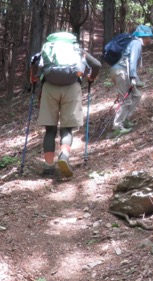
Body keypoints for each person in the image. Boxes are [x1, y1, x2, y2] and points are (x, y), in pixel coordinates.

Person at [29, 32, 101, 178]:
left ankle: (48, 166)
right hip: (72, 88)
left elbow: (33, 63)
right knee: (66, 129)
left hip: (49, 88)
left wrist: (33, 78)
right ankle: (64, 156)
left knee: (50, 129)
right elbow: (97, 65)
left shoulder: (46, 50)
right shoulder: (78, 51)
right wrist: (91, 78)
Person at [111, 24, 153, 136]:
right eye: (149, 37)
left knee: (136, 95)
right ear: (144, 36)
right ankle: (117, 126)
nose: (150, 39)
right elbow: (132, 61)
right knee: (126, 100)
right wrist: (133, 78)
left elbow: (131, 63)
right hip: (121, 72)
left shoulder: (133, 42)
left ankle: (125, 119)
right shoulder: (136, 43)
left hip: (121, 71)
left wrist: (137, 80)